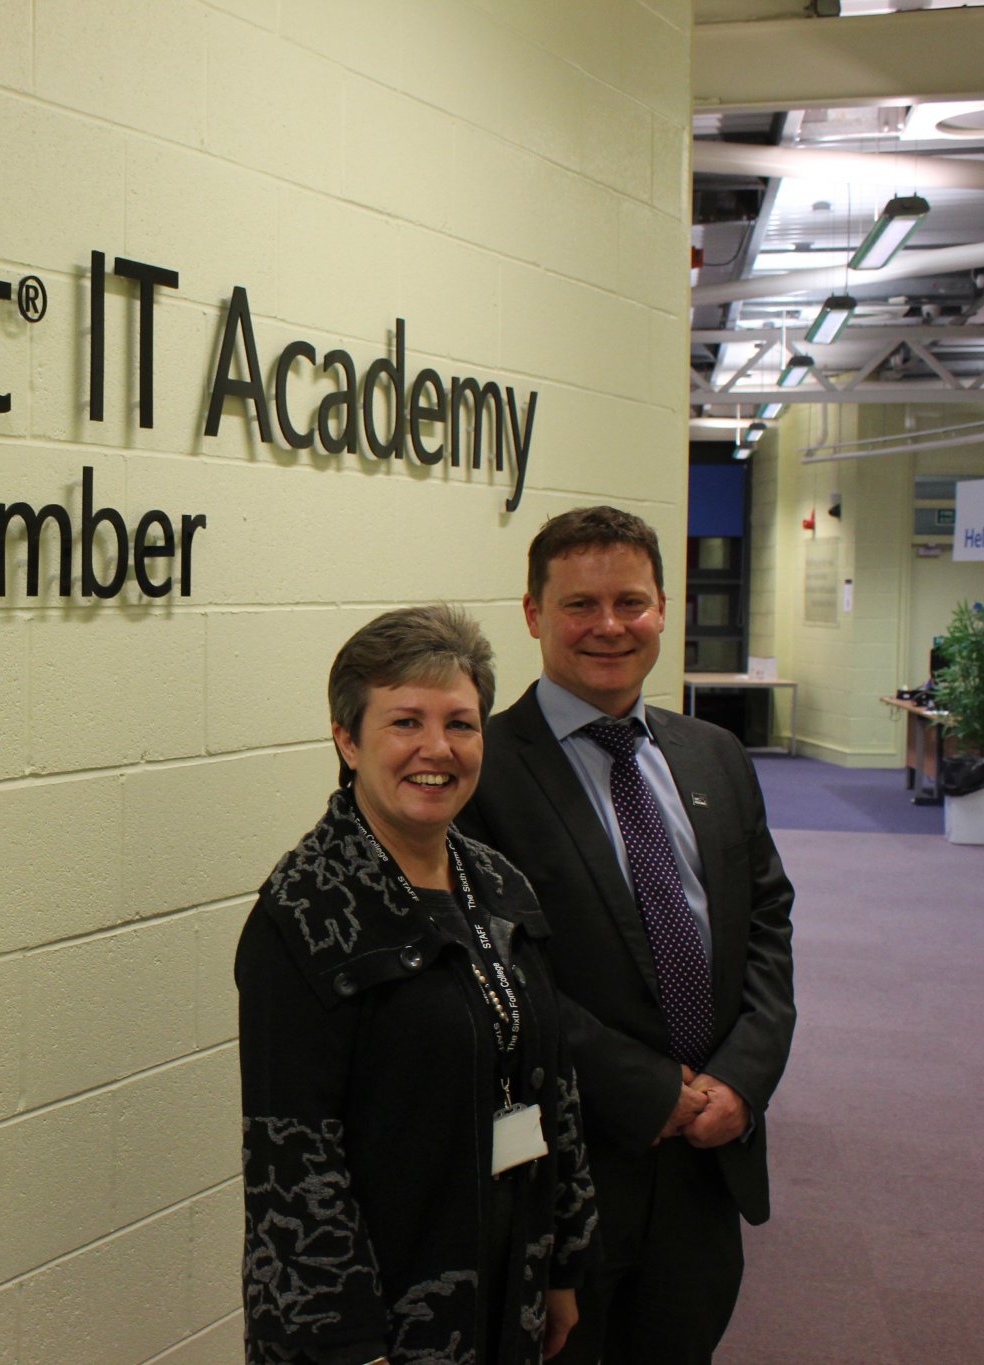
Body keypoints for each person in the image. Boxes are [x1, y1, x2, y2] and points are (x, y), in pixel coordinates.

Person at [457, 506, 795, 1365]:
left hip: (709, 1159)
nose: (608, 626)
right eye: (580, 604)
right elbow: (494, 971)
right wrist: (651, 1090)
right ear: (533, 614)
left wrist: (743, 1078)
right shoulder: (480, 772)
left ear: (663, 610)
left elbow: (766, 923)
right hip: (575, 1170)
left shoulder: (715, 753)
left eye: (631, 602)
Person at [238, 605, 597, 1365]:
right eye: (405, 721)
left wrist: (560, 1261)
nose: (437, 749)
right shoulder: (305, 913)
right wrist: (347, 1346)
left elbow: (549, 1083)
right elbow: (296, 1165)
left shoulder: (498, 883)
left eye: (461, 724)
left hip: (506, 1289)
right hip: (381, 1327)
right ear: (347, 738)